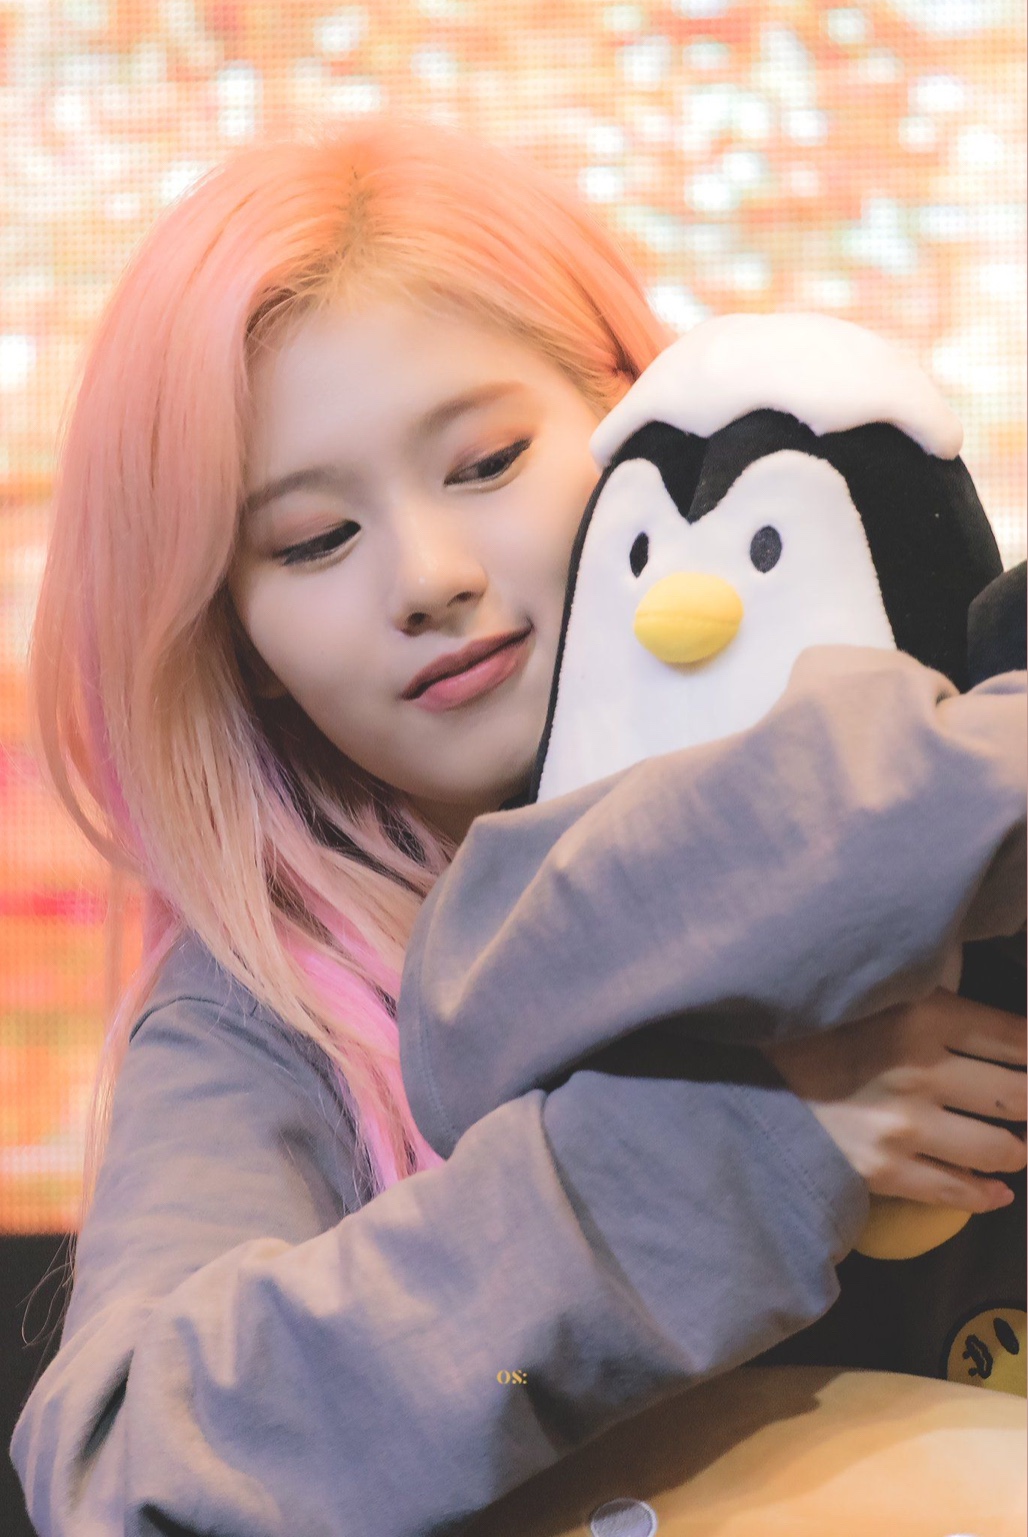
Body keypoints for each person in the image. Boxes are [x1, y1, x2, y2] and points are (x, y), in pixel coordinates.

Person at [11, 119, 1025, 1536]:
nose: (428, 576)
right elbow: (130, 1473)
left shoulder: (934, 751)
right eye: (312, 540)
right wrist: (748, 1136)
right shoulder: (259, 1012)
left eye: (486, 461)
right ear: (235, 634)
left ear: (635, 420)